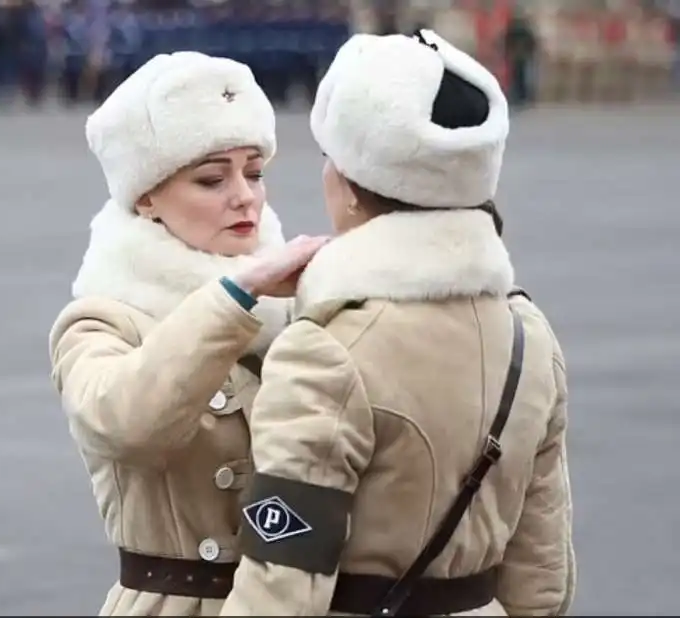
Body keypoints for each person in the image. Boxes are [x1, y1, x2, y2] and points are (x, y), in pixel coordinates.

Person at [219, 31, 575, 616]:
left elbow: (281, 583)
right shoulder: (528, 334)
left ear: (354, 190)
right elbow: (541, 573)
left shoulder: (326, 351)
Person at [48, 51, 327, 616]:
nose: (244, 196)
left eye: (254, 172)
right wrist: (234, 297)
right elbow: (125, 424)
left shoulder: (301, 300)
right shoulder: (101, 319)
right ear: (145, 197)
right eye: (210, 178)